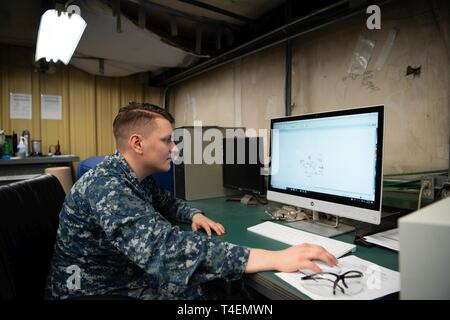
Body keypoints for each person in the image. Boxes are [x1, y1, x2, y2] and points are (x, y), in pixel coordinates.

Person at [46, 102, 337, 300]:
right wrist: (274, 257)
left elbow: (168, 203)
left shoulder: (131, 175)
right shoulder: (107, 186)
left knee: (217, 282)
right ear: (137, 143)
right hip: (96, 291)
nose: (174, 148)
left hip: (117, 276)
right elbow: (166, 250)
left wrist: (193, 214)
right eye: (167, 140)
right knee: (202, 292)